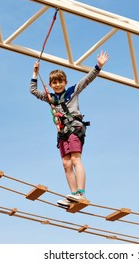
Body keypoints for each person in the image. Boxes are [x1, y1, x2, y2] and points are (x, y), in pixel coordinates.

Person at [30, 51, 109, 207]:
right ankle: (73, 195)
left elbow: (87, 80)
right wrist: (35, 73)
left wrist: (98, 66)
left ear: (65, 82)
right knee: (66, 164)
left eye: (60, 82)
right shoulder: (50, 98)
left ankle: (81, 193)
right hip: (62, 133)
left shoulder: (72, 91)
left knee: (75, 159)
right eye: (54, 82)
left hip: (74, 128)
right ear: (51, 84)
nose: (57, 84)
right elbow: (33, 91)